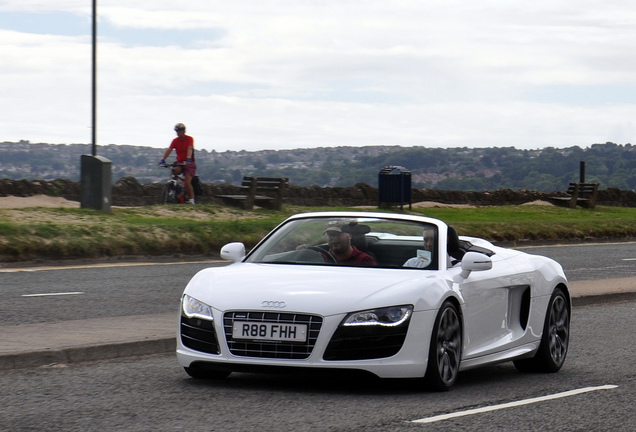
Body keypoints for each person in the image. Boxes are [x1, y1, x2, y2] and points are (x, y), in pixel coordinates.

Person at [159, 123, 197, 204]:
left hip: (189, 163)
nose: (178, 133)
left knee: (187, 181)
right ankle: (173, 187)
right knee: (174, 170)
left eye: (179, 131)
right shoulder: (175, 141)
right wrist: (163, 159)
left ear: (183, 131)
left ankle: (191, 200)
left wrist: (188, 159)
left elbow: (189, 149)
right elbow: (169, 150)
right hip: (180, 162)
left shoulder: (189, 139)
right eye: (177, 131)